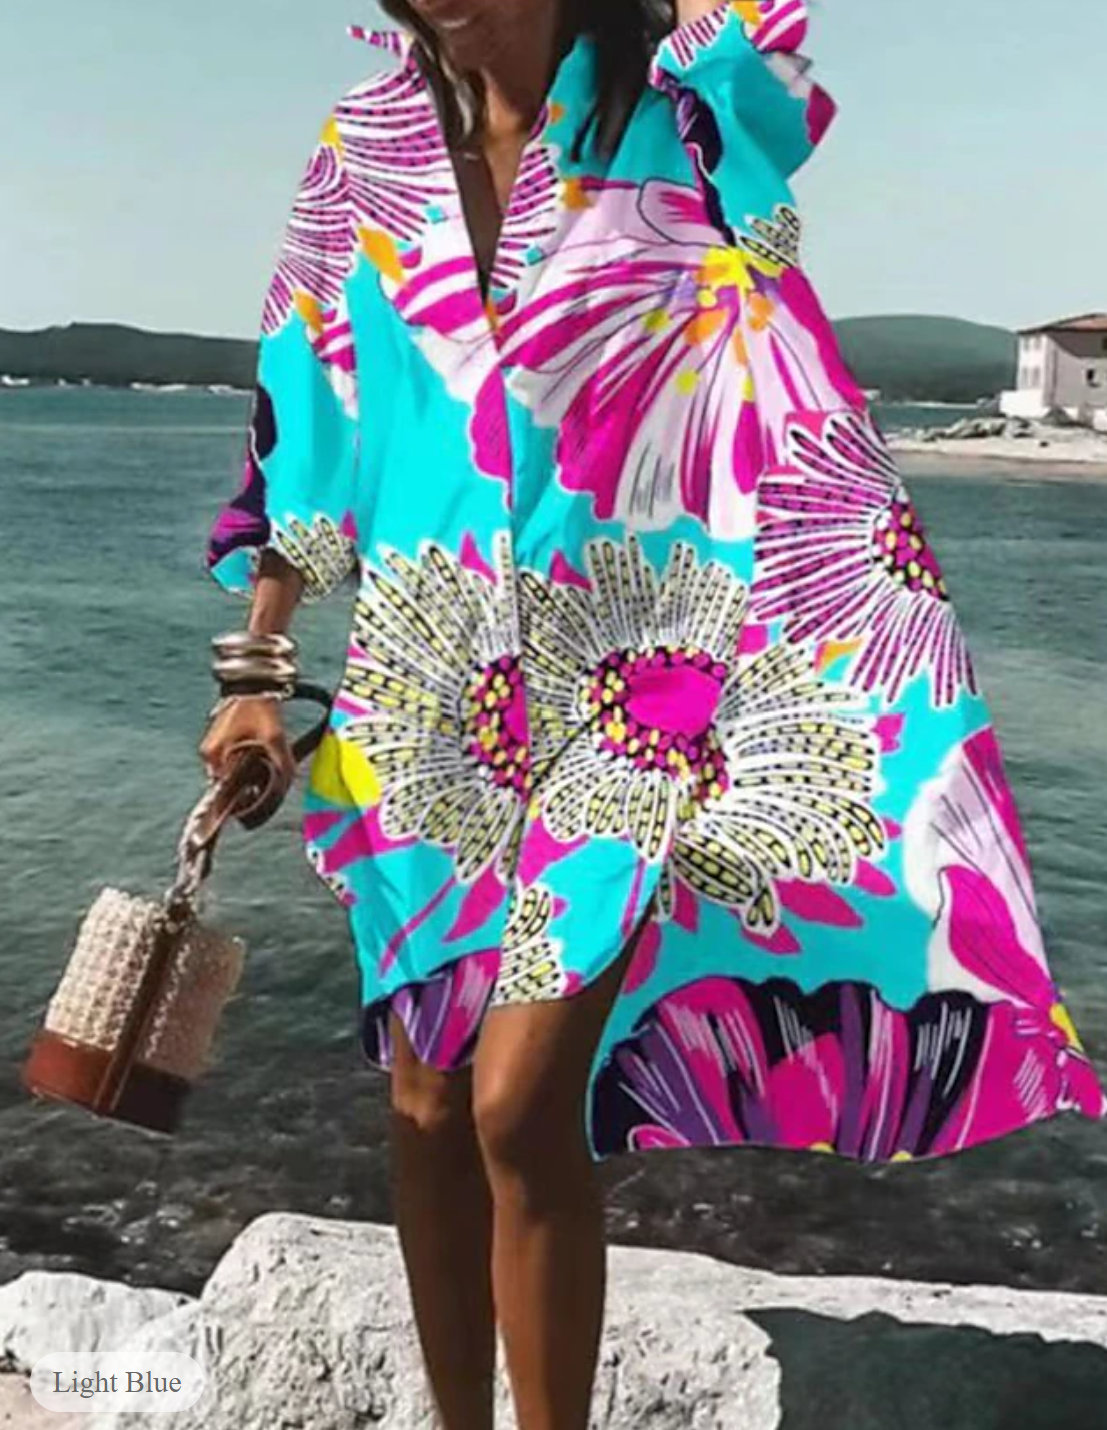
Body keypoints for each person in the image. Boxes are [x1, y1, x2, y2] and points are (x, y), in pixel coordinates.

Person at [199, 2, 1107, 1426]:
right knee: (425, 1105)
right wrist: (257, 674)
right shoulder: (362, 148)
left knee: (516, 1103)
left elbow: (773, 82)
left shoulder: (687, 111)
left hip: (641, 695)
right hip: (426, 689)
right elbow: (303, 420)